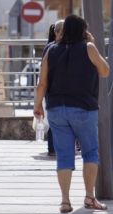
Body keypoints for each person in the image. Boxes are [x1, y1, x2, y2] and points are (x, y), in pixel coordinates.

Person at [33, 15, 110, 213]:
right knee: (90, 153)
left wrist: (37, 105)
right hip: (84, 108)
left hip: (56, 109)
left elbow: (42, 82)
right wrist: (91, 43)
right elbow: (105, 71)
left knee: (64, 155)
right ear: (83, 30)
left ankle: (65, 201)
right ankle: (89, 197)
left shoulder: (50, 50)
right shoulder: (88, 47)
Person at [42, 20, 64, 157]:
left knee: (53, 120)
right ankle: (58, 148)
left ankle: (52, 148)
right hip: (61, 90)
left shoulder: (49, 48)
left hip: (51, 89)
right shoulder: (71, 47)